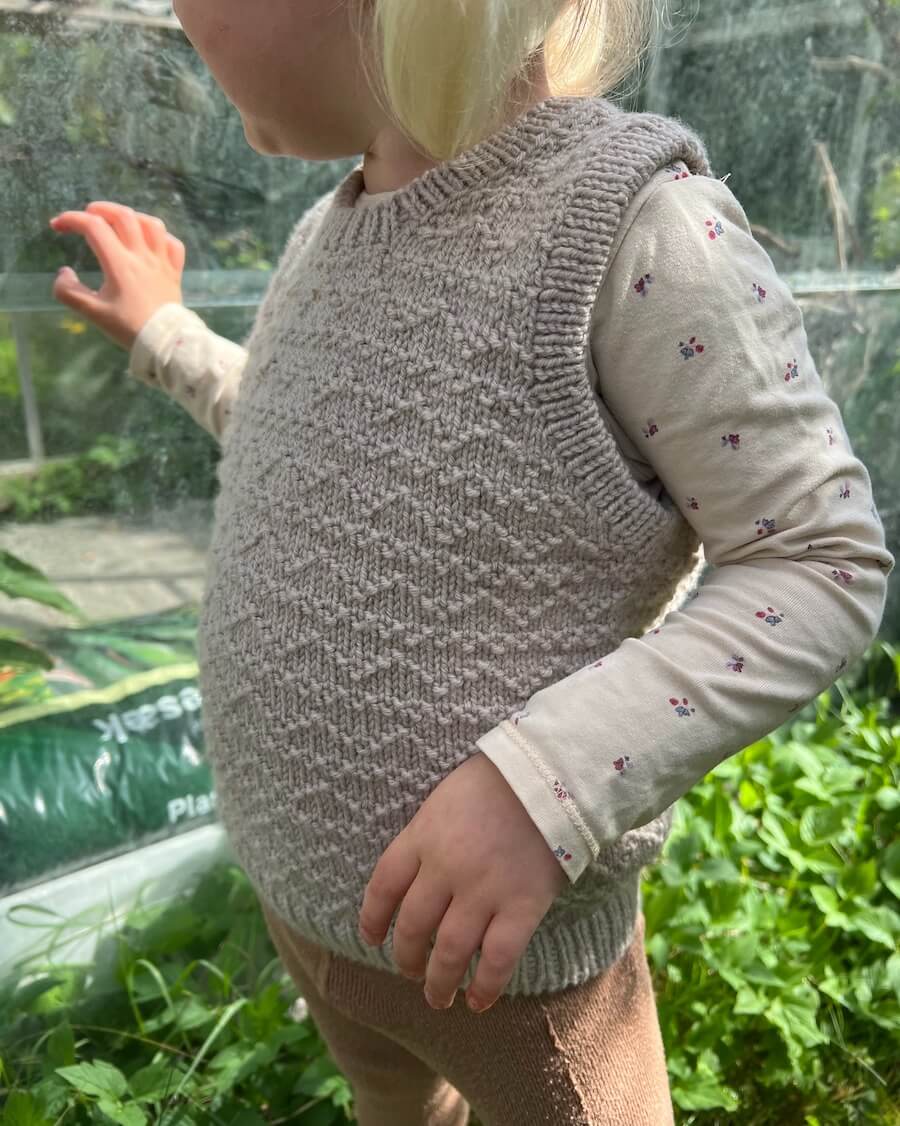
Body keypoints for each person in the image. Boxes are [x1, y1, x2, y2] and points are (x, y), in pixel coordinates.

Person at [48, 1, 894, 1123]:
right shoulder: (328, 230)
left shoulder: (634, 228)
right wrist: (170, 337)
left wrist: (545, 787)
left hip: (513, 983)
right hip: (315, 919)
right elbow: (310, 435)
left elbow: (819, 559)